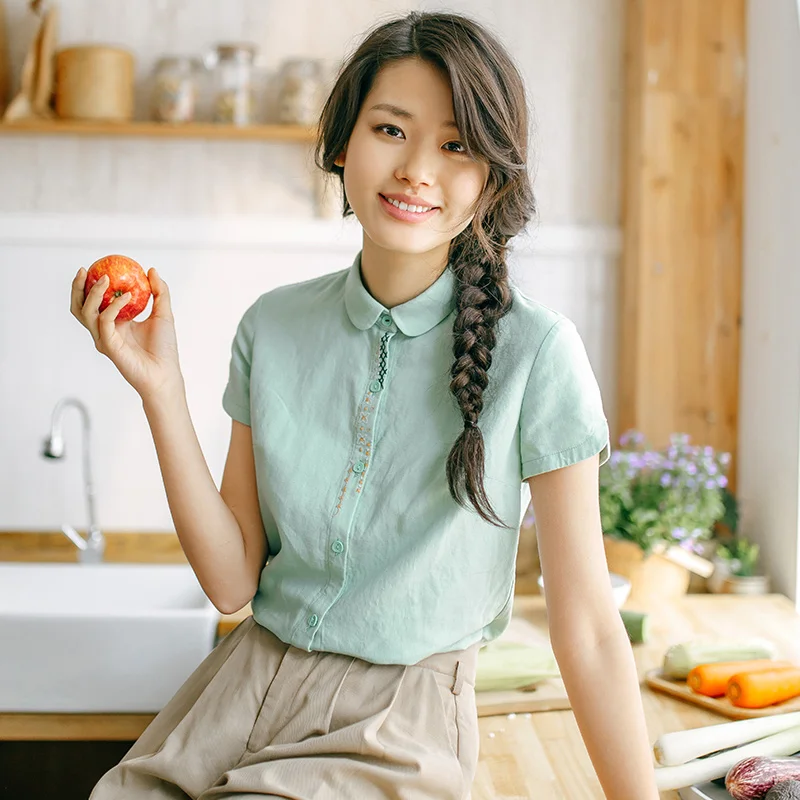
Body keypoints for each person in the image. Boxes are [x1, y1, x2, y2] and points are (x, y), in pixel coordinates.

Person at [71, 11, 659, 800]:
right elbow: (230, 582)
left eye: (456, 146)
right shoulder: (273, 327)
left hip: (396, 725)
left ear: (491, 177)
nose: (418, 168)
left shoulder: (537, 354)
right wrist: (161, 392)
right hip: (236, 690)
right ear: (343, 143)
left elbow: (586, 629)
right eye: (391, 128)